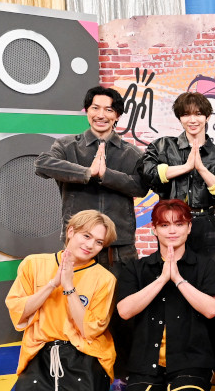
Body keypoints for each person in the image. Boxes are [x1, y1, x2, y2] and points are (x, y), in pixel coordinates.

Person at [3, 210, 118, 391]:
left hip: (84, 353)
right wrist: (51, 284)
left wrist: (68, 287)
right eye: (86, 236)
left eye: (98, 242)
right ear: (71, 231)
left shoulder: (104, 279)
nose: (90, 245)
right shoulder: (33, 264)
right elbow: (18, 310)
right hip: (42, 351)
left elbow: (88, 329)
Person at [115, 200, 215, 391]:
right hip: (147, 363)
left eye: (179, 224)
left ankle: (195, 388)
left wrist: (178, 279)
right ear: (154, 230)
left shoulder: (205, 266)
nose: (172, 231)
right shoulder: (137, 268)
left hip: (190, 360)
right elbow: (124, 311)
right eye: (164, 225)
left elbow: (211, 309)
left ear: (189, 227)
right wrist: (163, 279)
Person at [35, 86, 144, 268]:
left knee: (122, 288)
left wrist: (107, 175)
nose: (101, 115)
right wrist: (86, 172)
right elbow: (42, 164)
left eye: (108, 110)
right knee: (72, 286)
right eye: (95, 108)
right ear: (87, 111)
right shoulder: (67, 145)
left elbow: (141, 187)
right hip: (77, 242)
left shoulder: (132, 153)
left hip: (119, 248)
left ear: (117, 115)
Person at [138, 91, 215, 273]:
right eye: (186, 114)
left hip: (206, 222)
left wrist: (201, 169)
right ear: (180, 118)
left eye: (198, 114)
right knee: (172, 274)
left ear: (207, 117)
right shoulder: (163, 146)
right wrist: (185, 167)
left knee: (214, 276)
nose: (192, 120)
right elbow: (147, 173)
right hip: (172, 222)